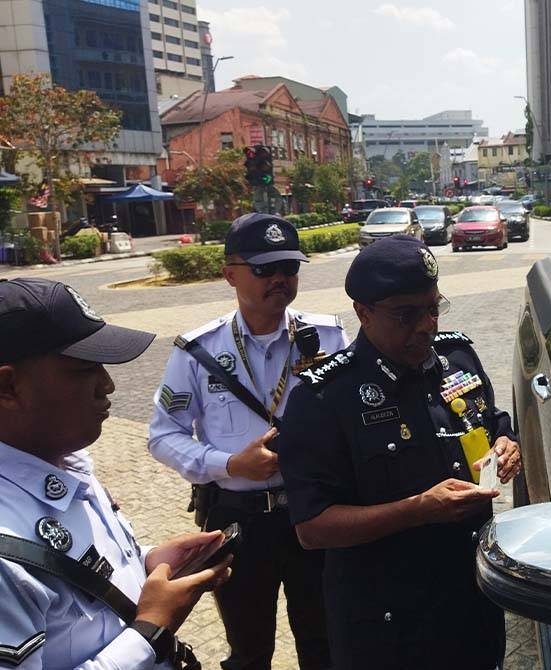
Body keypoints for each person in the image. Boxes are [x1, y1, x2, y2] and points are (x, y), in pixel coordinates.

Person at [278, 235, 522, 670]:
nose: (426, 325)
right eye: (406, 315)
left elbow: (492, 422)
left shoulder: (456, 356)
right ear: (363, 312)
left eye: (433, 308)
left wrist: (506, 445)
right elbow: (312, 529)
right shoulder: (325, 398)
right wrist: (417, 509)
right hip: (388, 624)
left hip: (471, 600)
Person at [148, 213, 349, 670]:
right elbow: (163, 436)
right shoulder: (198, 351)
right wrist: (229, 464)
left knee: (324, 641)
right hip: (238, 520)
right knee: (249, 647)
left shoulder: (328, 336)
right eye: (264, 269)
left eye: (289, 267)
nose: (279, 278)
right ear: (229, 274)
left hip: (314, 510)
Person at [0, 277, 231, 669]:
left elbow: (75, 575)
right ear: (8, 385)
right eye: (84, 369)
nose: (106, 385)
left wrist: (146, 563)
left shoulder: (61, 460)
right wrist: (151, 631)